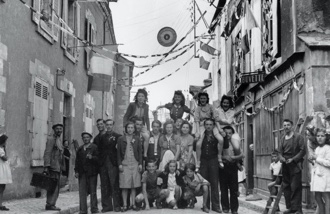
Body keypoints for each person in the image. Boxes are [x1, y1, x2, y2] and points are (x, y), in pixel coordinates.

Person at [278, 119, 306, 214]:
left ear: (292, 126)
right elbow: (279, 152)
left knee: (295, 187)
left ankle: (298, 209)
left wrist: (293, 159)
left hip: (295, 165)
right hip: (285, 165)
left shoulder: (298, 137)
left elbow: (303, 151)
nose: (286, 127)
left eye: (288, 125)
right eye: (284, 125)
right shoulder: (282, 138)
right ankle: (290, 207)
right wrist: (281, 158)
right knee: (286, 187)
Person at [197, 118, 222, 213]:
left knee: (215, 183)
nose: (208, 126)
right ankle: (205, 205)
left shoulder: (216, 136)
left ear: (213, 126)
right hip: (203, 161)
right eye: (206, 124)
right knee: (205, 183)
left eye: (210, 124)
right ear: (204, 126)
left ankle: (216, 206)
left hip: (213, 160)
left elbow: (223, 144)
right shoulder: (201, 136)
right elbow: (197, 148)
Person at [194, 92, 224, 170]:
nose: (203, 100)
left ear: (207, 99)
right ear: (199, 99)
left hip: (211, 124)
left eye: (204, 98)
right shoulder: (197, 109)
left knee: (221, 139)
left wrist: (220, 129)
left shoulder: (211, 107)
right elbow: (196, 120)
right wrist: (197, 132)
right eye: (201, 98)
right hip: (201, 125)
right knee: (198, 144)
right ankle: (198, 162)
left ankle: (219, 157)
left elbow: (216, 118)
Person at [117, 122, 143, 212]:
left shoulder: (137, 139)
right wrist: (119, 163)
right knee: (124, 185)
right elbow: (118, 153)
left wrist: (140, 163)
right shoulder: (121, 139)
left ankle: (133, 204)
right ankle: (125, 204)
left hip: (135, 163)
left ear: (134, 129)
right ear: (126, 128)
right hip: (125, 163)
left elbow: (140, 152)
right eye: (128, 127)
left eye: (132, 127)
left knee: (133, 185)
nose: (130, 129)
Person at [219, 125, 244, 214]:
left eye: (230, 133)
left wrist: (233, 157)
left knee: (234, 189)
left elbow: (242, 155)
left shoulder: (234, 143)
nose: (228, 135)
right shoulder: (220, 142)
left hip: (233, 167)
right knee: (223, 188)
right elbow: (216, 156)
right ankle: (225, 207)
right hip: (223, 167)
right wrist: (224, 157)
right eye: (226, 133)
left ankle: (234, 209)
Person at [98, 119, 122, 212]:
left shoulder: (118, 137)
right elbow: (99, 151)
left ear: (113, 125)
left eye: (110, 125)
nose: (108, 126)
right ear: (105, 125)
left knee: (114, 185)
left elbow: (120, 151)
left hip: (113, 163)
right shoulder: (101, 137)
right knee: (104, 185)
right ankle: (107, 206)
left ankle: (117, 205)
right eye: (107, 125)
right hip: (103, 164)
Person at [75, 132, 99, 214]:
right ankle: (83, 210)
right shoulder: (80, 149)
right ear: (82, 139)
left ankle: (94, 209)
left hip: (92, 173)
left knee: (93, 191)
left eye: (87, 137)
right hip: (82, 173)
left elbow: (98, 159)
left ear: (90, 138)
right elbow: (77, 161)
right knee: (82, 192)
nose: (86, 139)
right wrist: (76, 171)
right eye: (84, 137)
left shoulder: (94, 147)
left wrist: (92, 157)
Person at [43, 123, 65, 211]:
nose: (59, 130)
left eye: (60, 129)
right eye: (57, 129)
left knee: (56, 187)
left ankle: (52, 203)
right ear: (54, 130)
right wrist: (46, 166)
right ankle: (50, 204)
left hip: (58, 167)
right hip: (52, 167)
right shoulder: (51, 139)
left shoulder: (59, 139)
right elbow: (47, 153)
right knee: (52, 186)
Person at [123, 88, 150, 159]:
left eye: (142, 96)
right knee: (132, 137)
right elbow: (126, 116)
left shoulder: (146, 106)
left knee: (147, 137)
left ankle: (145, 154)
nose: (140, 98)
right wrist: (124, 126)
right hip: (133, 123)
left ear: (145, 98)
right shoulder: (132, 105)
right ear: (136, 97)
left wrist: (148, 129)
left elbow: (147, 118)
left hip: (141, 124)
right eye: (139, 96)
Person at [309, 128, 330, 214]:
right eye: (318, 136)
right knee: (317, 197)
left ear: (326, 137)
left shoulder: (328, 148)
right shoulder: (317, 148)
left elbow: (328, 163)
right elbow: (317, 163)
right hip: (317, 176)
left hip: (325, 176)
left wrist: (316, 158)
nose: (320, 138)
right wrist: (312, 161)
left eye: (322, 136)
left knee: (326, 197)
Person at [0, 134, 12, 211]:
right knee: (1, 187)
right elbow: (5, 158)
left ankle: (0, 204)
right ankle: (0, 204)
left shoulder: (1, 149)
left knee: (2, 187)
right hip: (1, 170)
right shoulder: (0, 150)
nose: (6, 143)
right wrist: (5, 150)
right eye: (5, 141)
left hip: (2, 169)